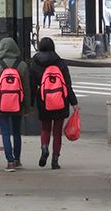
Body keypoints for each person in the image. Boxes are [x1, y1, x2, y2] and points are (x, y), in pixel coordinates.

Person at [29, 37, 79, 170]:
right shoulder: (60, 63)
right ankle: (55, 160)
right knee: (57, 132)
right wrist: (74, 103)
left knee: (45, 128)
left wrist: (31, 103)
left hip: (44, 101)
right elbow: (67, 85)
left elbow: (32, 86)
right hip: (60, 100)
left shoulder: (34, 63)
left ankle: (44, 148)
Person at [0, 37, 31, 171]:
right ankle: (17, 160)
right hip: (18, 104)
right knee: (16, 132)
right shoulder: (22, 65)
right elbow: (26, 89)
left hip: (1, 105)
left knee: (5, 133)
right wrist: (27, 108)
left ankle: (9, 161)